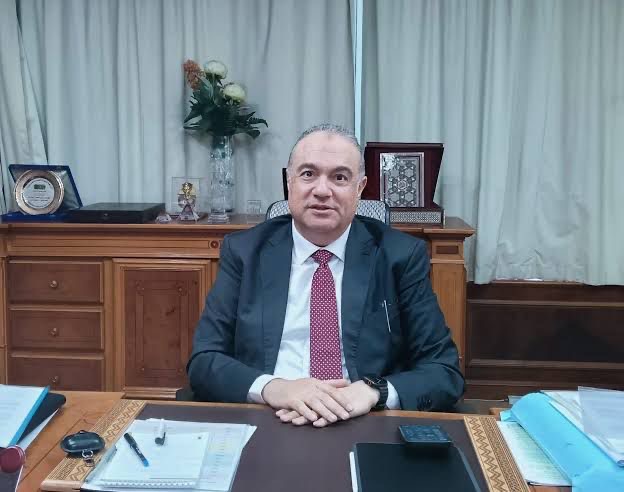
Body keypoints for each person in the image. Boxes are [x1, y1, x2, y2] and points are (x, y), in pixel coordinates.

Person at [187, 123, 464, 427]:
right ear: (289, 182)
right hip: (269, 415)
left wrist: (374, 392)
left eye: (339, 177)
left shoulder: (399, 256)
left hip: (363, 419)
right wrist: (274, 388)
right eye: (308, 174)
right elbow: (204, 360)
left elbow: (443, 370)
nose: (321, 190)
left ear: (360, 189)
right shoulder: (244, 252)